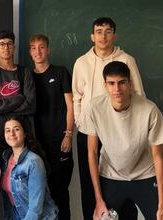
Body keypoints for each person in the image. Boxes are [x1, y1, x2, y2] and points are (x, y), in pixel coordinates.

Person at [72, 17, 145, 219]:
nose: (103, 36)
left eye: (108, 31)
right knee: (89, 183)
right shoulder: (81, 63)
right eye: (99, 31)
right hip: (89, 132)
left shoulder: (127, 60)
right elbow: (76, 97)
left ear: (114, 35)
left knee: (122, 181)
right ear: (92, 36)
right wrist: (81, 122)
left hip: (120, 131)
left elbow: (138, 94)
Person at [81, 61, 163, 220]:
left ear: (130, 83)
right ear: (105, 85)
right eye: (111, 83)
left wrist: (162, 203)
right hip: (111, 175)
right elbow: (92, 152)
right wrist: (98, 200)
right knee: (101, 217)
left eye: (122, 83)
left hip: (145, 174)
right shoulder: (94, 108)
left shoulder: (150, 110)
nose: (117, 89)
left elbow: (158, 157)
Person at [29, 34, 74, 220]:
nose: (38, 51)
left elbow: (71, 106)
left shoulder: (60, 72)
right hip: (36, 144)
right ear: (30, 52)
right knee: (39, 194)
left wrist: (68, 134)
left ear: (48, 49)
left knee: (60, 192)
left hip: (59, 140)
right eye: (34, 48)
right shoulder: (27, 76)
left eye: (41, 47)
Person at [0, 30, 36, 163]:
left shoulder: (24, 72)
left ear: (14, 47)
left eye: (9, 44)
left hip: (22, 136)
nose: (6, 47)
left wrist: (5, 109)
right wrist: (18, 99)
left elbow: (31, 105)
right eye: (1, 44)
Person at [1, 116, 58, 219]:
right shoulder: (5, 158)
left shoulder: (33, 162)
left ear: (25, 133)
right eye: (8, 130)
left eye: (16, 129)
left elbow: (35, 209)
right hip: (17, 215)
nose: (12, 134)